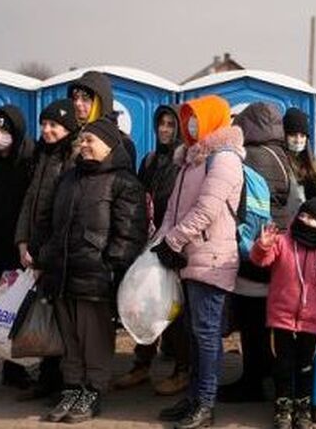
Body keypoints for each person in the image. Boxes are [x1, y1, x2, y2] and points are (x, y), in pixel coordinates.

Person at [39, 117, 147, 423]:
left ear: (109, 145)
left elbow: (130, 234)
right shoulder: (70, 177)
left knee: (94, 339)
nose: (83, 146)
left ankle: (94, 390)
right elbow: (51, 222)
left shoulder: (124, 182)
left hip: (95, 276)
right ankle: (72, 387)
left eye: (90, 141)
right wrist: (46, 254)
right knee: (70, 339)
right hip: (62, 271)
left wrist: (111, 266)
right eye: (82, 141)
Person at [155, 95, 243, 429]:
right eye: (187, 119)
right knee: (193, 334)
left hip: (212, 258)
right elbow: (174, 209)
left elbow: (207, 210)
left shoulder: (224, 159)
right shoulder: (192, 161)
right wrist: (161, 241)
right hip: (189, 257)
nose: (189, 125)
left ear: (211, 119)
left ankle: (205, 404)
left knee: (207, 334)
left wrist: (174, 240)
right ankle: (193, 397)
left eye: (196, 118)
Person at [218, 102, 294, 403]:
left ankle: (252, 381)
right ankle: (264, 376)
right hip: (274, 248)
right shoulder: (281, 155)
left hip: (254, 250)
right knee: (264, 324)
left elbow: (242, 206)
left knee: (251, 325)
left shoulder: (253, 157)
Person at [114, 104, 190, 395]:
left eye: (171, 124)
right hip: (150, 242)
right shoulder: (150, 160)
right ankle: (141, 364)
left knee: (172, 308)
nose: (166, 129)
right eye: (162, 124)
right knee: (146, 301)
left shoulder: (185, 162)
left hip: (174, 244)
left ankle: (182, 370)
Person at [250, 198, 316, 429]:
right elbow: (260, 261)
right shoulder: (282, 242)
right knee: (282, 366)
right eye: (302, 215)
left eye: (311, 218)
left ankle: (303, 409)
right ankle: (283, 408)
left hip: (311, 324)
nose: (305, 221)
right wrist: (262, 246)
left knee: (305, 366)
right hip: (281, 320)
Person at [13, 99, 78, 400]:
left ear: (67, 128)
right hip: (36, 248)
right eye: (44, 124)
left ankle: (65, 381)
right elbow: (29, 201)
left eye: (54, 125)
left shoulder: (73, 159)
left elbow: (65, 212)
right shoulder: (43, 155)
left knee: (60, 318)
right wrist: (23, 241)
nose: (47, 130)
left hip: (57, 251)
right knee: (44, 314)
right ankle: (48, 377)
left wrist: (45, 254)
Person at [0, 104, 35, 394]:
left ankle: (14, 370)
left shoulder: (28, 161)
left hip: (16, 248)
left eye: (3, 130)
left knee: (14, 310)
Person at [69, 71, 137, 170]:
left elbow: (127, 183)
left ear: (100, 102)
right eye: (75, 98)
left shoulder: (121, 142)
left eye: (85, 98)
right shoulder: (72, 137)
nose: (77, 103)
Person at [282, 107, 316, 201]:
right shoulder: (280, 159)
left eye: (302, 136)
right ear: (285, 136)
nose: (298, 140)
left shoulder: (313, 163)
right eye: (293, 135)